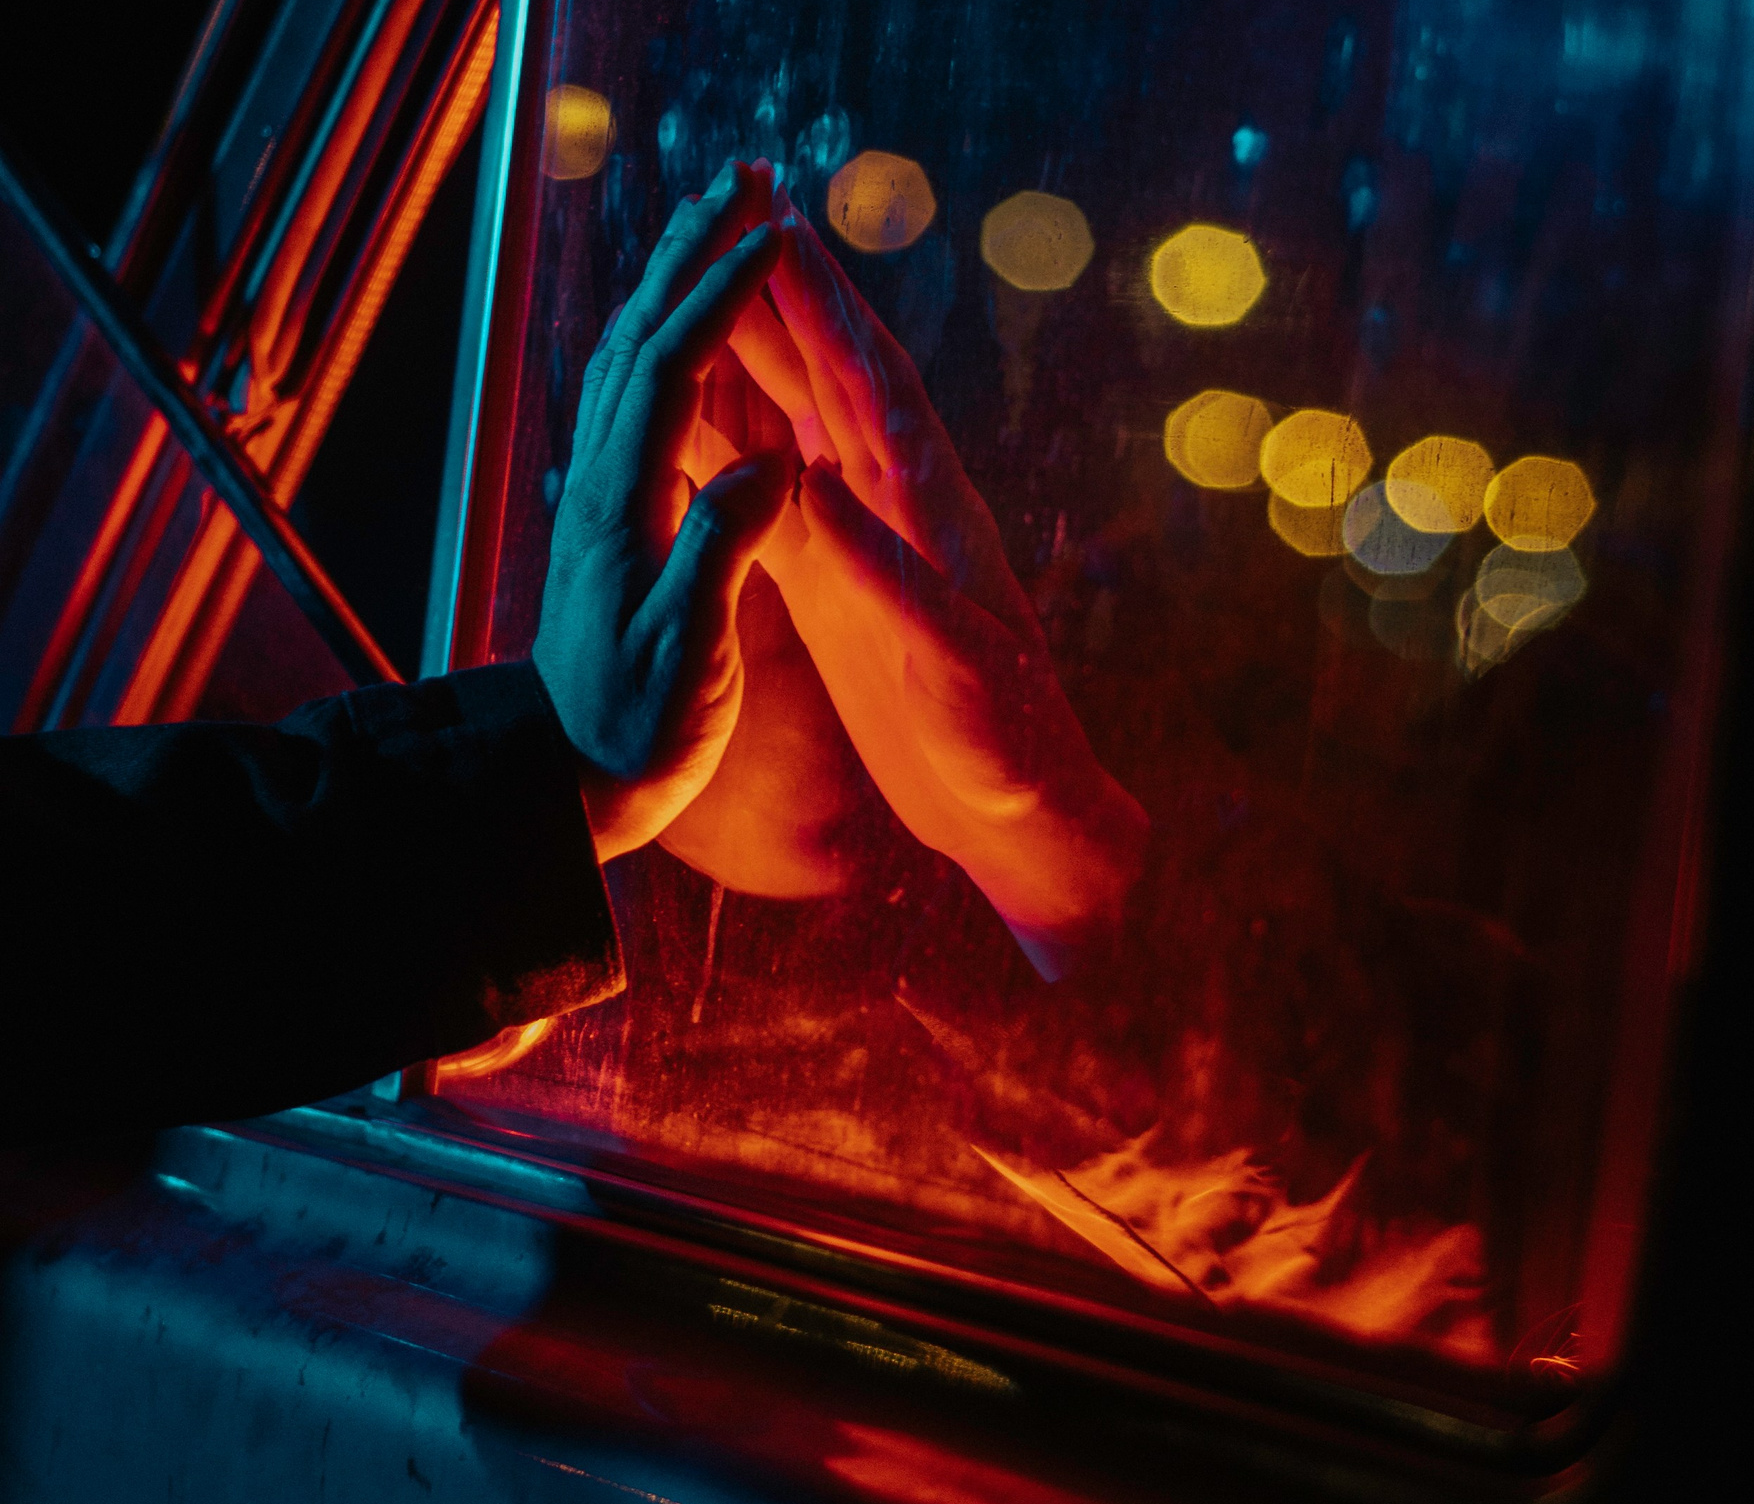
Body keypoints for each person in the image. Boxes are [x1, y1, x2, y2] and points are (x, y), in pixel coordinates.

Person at [1, 159, 1146, 1142]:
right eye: (705, 508)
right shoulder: (495, 1060)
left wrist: (1048, 866)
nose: (764, 585)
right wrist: (554, 774)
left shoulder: (466, 1048)